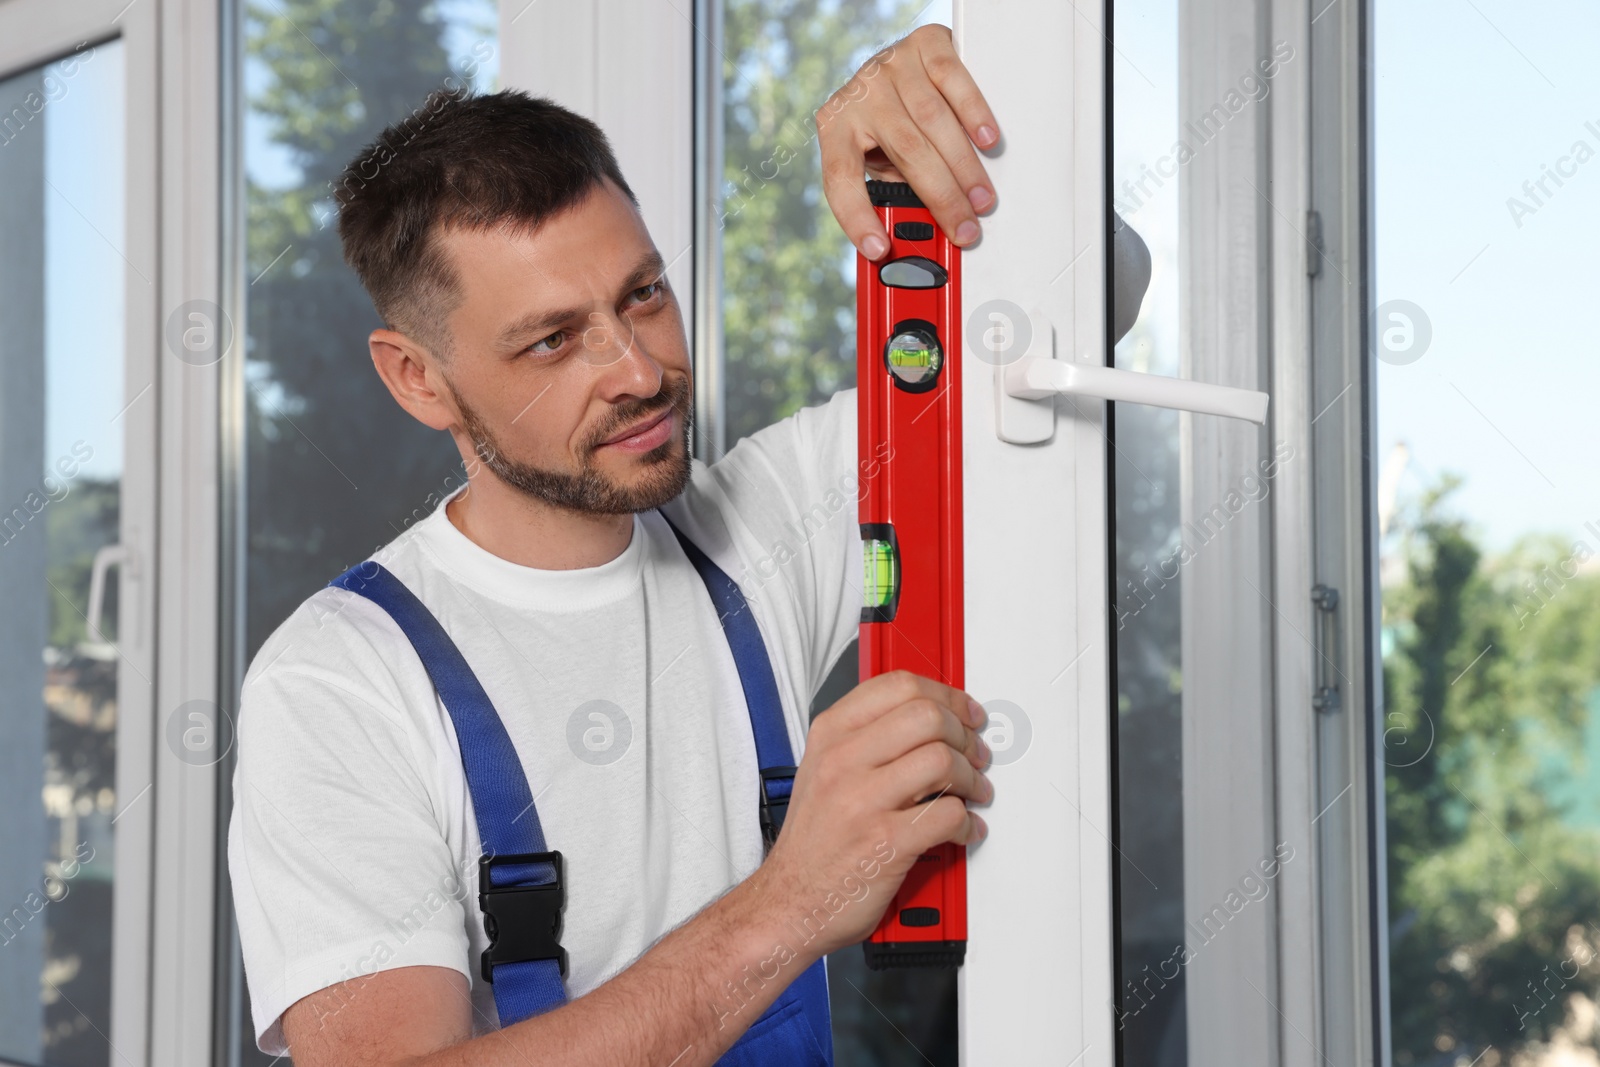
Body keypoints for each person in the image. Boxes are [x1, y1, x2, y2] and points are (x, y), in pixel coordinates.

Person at [228, 23, 1147, 1067]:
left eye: (643, 295)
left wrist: (946, 131)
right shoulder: (341, 681)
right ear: (417, 377)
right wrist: (789, 903)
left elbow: (1079, 302)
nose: (637, 368)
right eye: (551, 339)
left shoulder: (760, 531)